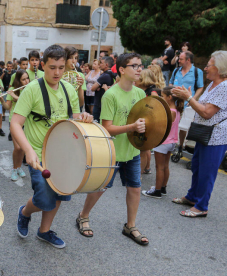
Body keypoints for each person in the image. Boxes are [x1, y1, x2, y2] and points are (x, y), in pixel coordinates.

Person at [11, 45, 93, 249]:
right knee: (44, 198)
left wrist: (85, 118)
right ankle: (25, 212)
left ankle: (44, 231)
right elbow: (15, 123)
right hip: (38, 153)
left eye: (60, 68)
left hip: (63, 153)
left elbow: (74, 121)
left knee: (59, 194)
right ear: (42, 65)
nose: (57, 73)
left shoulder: (69, 90)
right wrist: (28, 150)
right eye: (52, 68)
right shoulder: (31, 89)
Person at [78, 53, 149, 246]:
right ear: (122, 69)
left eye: (140, 65)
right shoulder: (110, 95)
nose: (139, 69)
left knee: (135, 188)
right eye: (134, 65)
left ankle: (130, 225)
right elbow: (107, 128)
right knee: (101, 187)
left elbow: (143, 122)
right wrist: (132, 127)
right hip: (112, 151)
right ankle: (83, 216)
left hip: (132, 150)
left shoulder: (141, 94)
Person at [171, 51, 227, 217]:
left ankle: (202, 206)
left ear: (219, 68)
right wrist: (189, 96)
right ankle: (193, 197)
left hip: (216, 136)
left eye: (209, 65)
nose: (205, 68)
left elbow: (206, 113)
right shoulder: (213, 84)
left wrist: (189, 97)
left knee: (207, 173)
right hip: (205, 133)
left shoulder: (224, 86)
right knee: (196, 166)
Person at [142, 86, 183, 198]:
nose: (161, 97)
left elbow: (161, 127)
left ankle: (157, 190)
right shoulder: (177, 110)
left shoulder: (169, 111)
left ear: (169, 97)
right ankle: (163, 187)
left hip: (163, 142)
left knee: (159, 167)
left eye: (163, 96)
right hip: (172, 142)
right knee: (165, 166)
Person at [169, 51, 204, 155]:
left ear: (188, 60)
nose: (178, 60)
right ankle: (170, 143)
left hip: (187, 104)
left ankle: (180, 145)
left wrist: (192, 99)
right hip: (173, 103)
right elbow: (170, 82)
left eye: (181, 59)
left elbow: (200, 87)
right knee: (171, 122)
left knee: (183, 127)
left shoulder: (197, 72)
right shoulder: (176, 70)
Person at [0, 69, 29, 181]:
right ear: (18, 81)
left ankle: (19, 167)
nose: (26, 81)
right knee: (18, 147)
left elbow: (26, 102)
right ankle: (14, 169)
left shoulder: (30, 89)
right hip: (15, 121)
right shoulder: (12, 90)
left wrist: (15, 97)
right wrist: (2, 100)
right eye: (23, 79)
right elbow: (7, 107)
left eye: (27, 78)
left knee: (23, 148)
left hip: (27, 121)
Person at [91, 56, 115, 122]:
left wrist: (97, 87)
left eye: (101, 63)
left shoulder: (104, 76)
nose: (99, 65)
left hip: (99, 104)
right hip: (105, 103)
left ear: (106, 65)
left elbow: (92, 88)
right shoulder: (112, 74)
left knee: (97, 123)